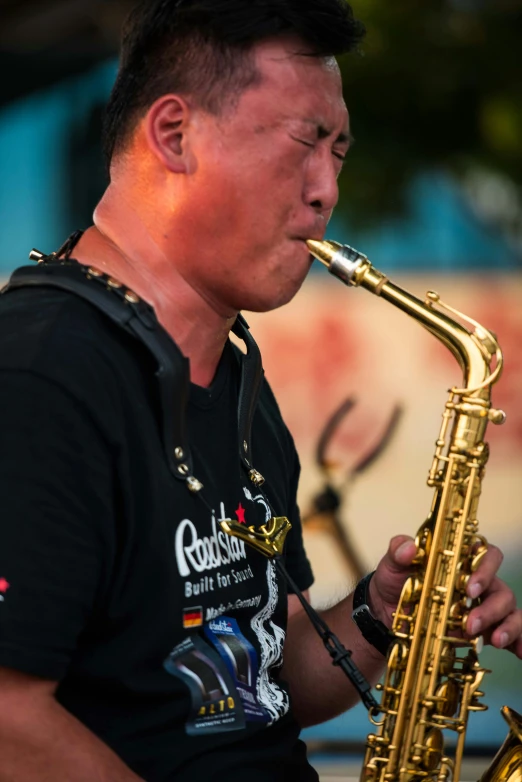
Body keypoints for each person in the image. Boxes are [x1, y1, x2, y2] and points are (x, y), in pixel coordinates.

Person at [0, 1, 520, 780]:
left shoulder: (232, 368)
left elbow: (257, 678)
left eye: (339, 152)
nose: (326, 191)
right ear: (174, 136)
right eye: (305, 142)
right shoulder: (40, 372)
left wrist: (384, 615)